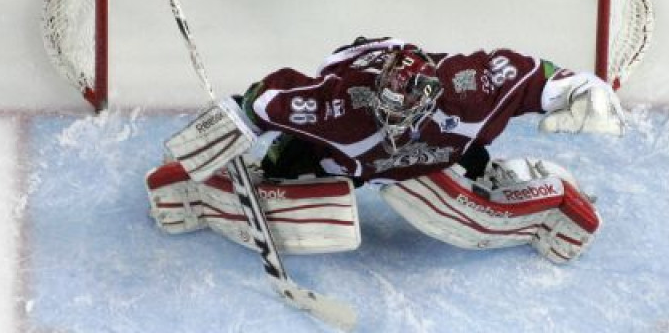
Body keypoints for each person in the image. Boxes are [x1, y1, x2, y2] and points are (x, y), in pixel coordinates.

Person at [145, 37, 625, 263]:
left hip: (434, 157)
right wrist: (219, 134)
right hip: (348, 123)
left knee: (469, 215)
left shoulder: (471, 89)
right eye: (386, 113)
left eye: (405, 116)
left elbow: (538, 78)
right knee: (289, 182)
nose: (394, 126)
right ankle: (216, 195)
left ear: (432, 99)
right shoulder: (336, 107)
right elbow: (261, 101)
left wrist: (584, 88)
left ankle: (528, 188)